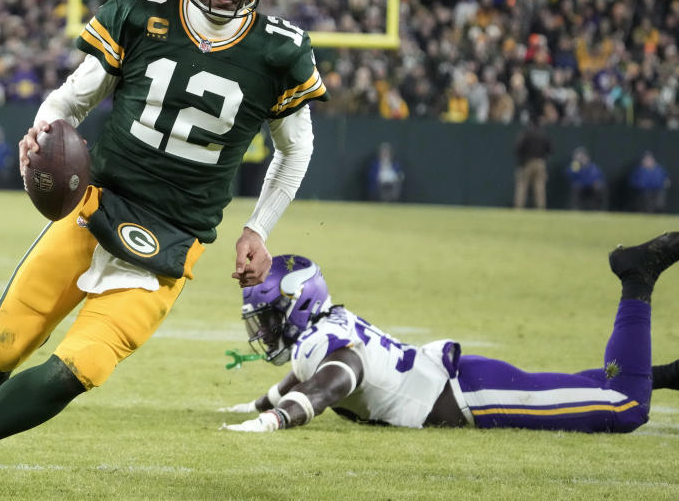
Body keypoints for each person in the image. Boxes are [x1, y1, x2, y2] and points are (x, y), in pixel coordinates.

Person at [0, 0, 327, 493]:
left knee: (79, 368)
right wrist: (40, 133)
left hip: (172, 243)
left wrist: (258, 229)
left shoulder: (280, 51)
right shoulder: (140, 11)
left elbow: (295, 148)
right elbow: (72, 99)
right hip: (93, 209)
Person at [219, 236, 679, 433]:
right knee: (593, 391)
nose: (263, 328)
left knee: (626, 406)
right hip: (461, 383)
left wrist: (274, 420)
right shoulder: (319, 332)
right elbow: (304, 375)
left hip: (471, 394)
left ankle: (636, 278)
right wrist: (258, 404)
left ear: (298, 305)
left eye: (270, 316)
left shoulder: (325, 346)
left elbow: (337, 376)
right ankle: (663, 374)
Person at [513, 118, 552, 209]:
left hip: (527, 162)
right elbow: (550, 149)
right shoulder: (543, 135)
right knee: (539, 187)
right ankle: (540, 208)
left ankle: (518, 207)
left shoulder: (525, 134)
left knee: (522, 186)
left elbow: (518, 148)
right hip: (540, 162)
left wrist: (521, 158)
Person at [565, 146, 606, 211]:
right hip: (581, 188)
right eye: (579, 157)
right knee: (576, 187)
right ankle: (575, 210)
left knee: (600, 188)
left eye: (582, 157)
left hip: (591, 188)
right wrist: (576, 164)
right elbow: (570, 175)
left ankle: (599, 210)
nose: (581, 159)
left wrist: (595, 183)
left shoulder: (593, 167)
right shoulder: (575, 166)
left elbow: (598, 177)